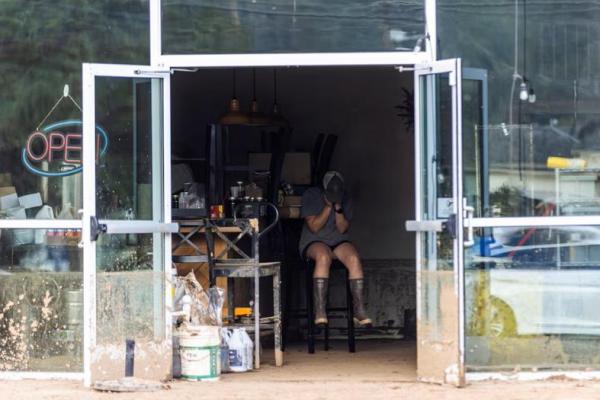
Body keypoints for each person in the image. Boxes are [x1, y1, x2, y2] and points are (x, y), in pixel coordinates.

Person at [299, 170, 372, 327]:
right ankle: (320, 311)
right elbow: (314, 227)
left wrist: (337, 207)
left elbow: (342, 229)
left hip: (337, 241)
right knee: (323, 257)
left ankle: (359, 310)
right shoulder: (311, 195)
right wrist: (327, 206)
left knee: (354, 258)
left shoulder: (345, 198)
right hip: (314, 240)